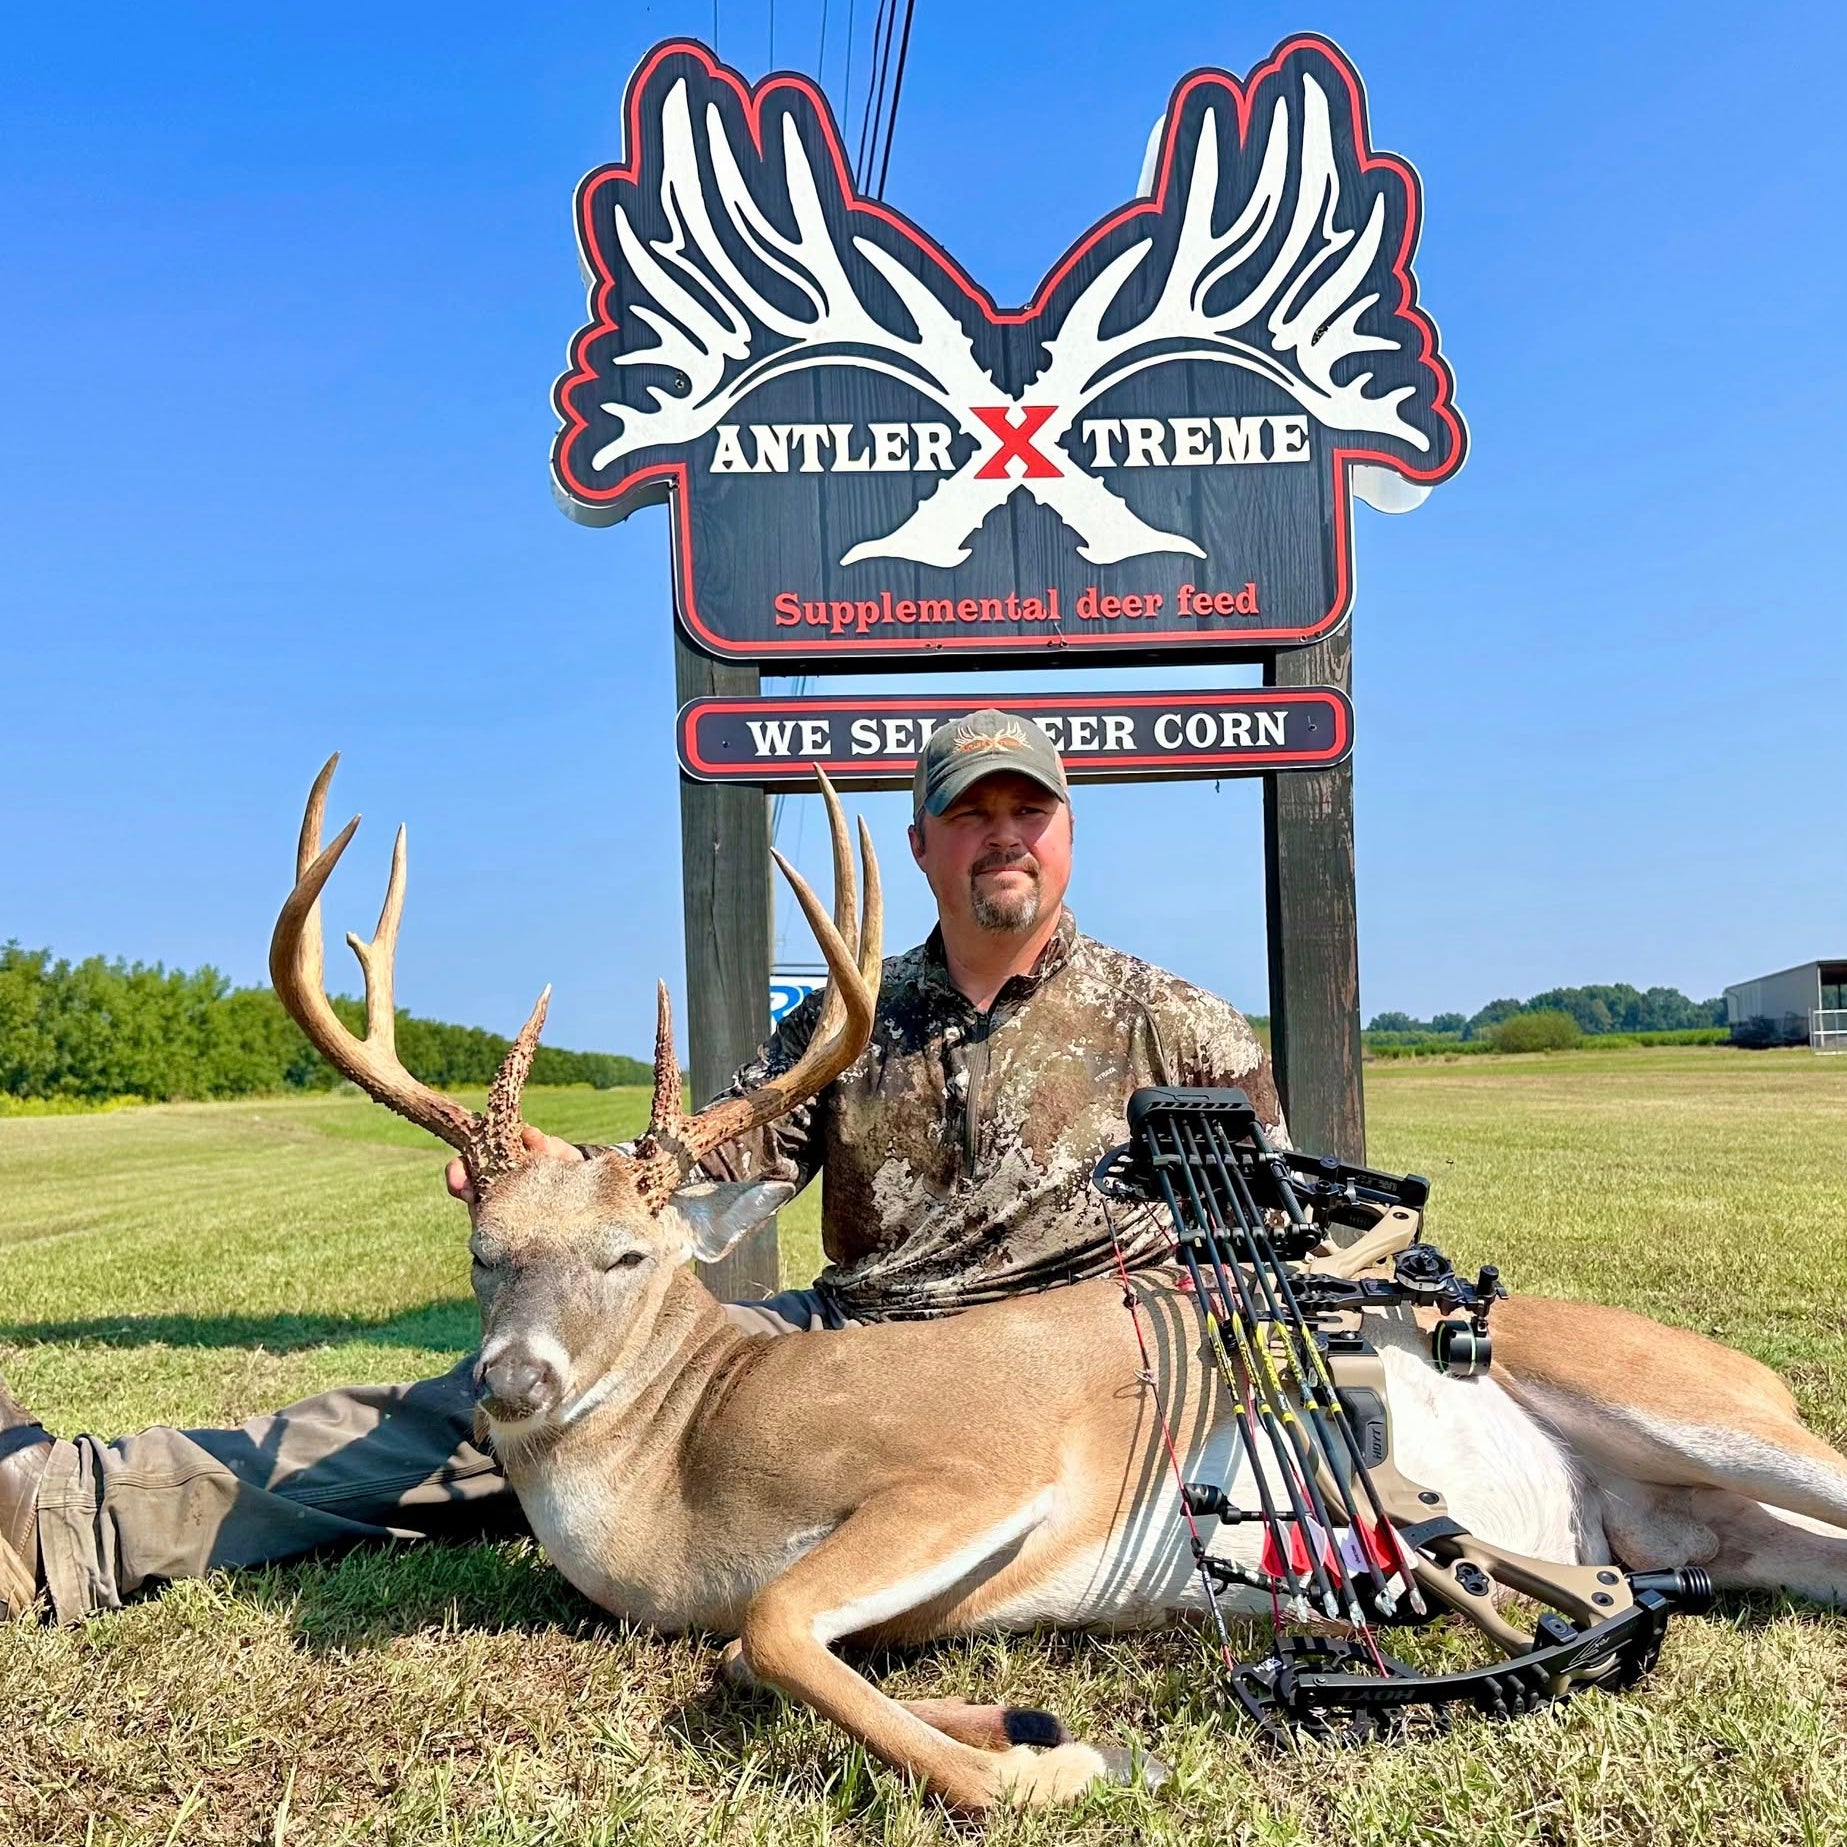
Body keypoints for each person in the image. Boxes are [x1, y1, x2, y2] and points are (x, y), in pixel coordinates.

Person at [0, 710, 1283, 1623]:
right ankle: (65, 1514)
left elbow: (1282, 1222)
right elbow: (691, 1163)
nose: (1002, 836)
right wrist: (544, 1178)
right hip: (844, 1353)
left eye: (1027, 811)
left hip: (1051, 1379)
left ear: (1065, 835)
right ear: (922, 847)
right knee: (474, 1410)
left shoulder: (1171, 1021)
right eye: (971, 814)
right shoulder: (847, 1022)